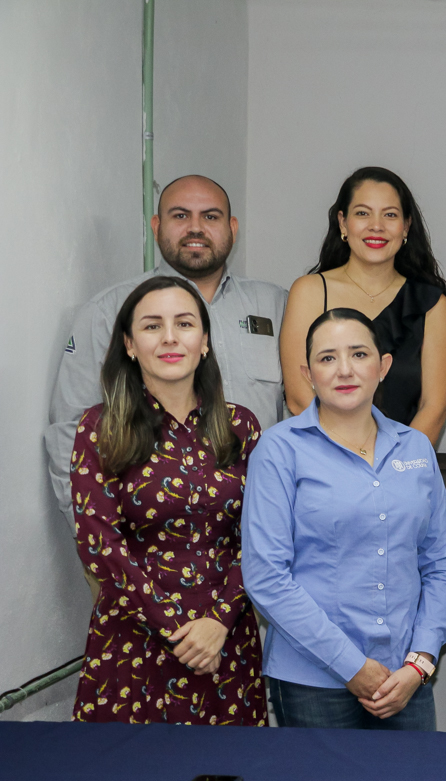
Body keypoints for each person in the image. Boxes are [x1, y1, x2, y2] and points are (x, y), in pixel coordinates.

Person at [243, 308, 446, 730]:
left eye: (359, 354)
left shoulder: (415, 448)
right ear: (307, 373)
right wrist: (351, 666)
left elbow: (442, 563)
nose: (344, 370)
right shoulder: (278, 450)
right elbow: (266, 576)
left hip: (405, 680)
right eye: (327, 358)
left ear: (384, 366)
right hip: (313, 681)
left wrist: (420, 662)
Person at [70, 276, 266, 725]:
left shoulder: (241, 426)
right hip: (134, 643)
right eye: (152, 326)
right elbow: (100, 544)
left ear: (205, 342)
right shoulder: (99, 428)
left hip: (226, 642)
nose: (170, 338)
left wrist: (218, 621)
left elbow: (262, 536)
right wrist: (179, 630)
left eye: (184, 323)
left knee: (231, 780)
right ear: (130, 344)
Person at [47, 175, 287, 530]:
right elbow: (70, 430)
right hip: (148, 546)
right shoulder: (109, 311)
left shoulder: (277, 305)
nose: (195, 227)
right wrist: (99, 544)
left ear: (232, 228)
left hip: (264, 530)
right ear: (156, 226)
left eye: (210, 216)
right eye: (179, 216)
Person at [279, 167, 446, 445]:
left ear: (406, 226)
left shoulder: (431, 303)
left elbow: (434, 409)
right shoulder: (310, 291)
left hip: (401, 469)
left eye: (390, 215)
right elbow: (300, 396)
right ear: (343, 222)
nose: (377, 225)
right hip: (323, 464)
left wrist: (393, 466)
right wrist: (352, 461)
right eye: (362, 213)